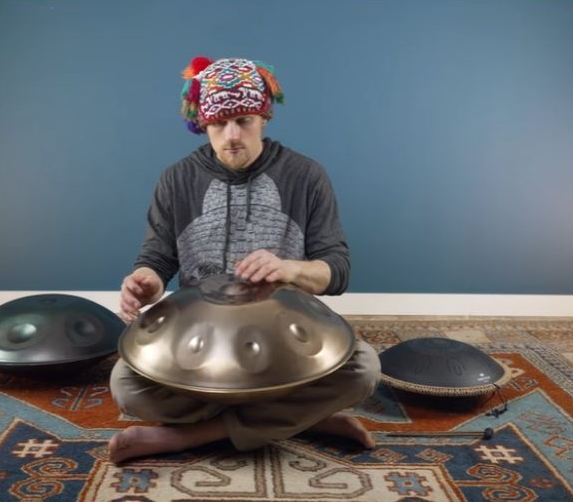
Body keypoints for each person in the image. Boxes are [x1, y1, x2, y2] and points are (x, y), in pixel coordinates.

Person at [108, 56, 381, 464]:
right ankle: (306, 420)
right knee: (126, 383)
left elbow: (336, 269)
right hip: (200, 340)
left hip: (282, 343)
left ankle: (188, 437)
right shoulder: (176, 178)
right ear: (203, 124)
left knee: (364, 369)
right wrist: (146, 279)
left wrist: (291, 268)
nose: (232, 135)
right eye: (219, 124)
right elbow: (156, 258)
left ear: (264, 118)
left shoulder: (307, 175)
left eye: (244, 121)